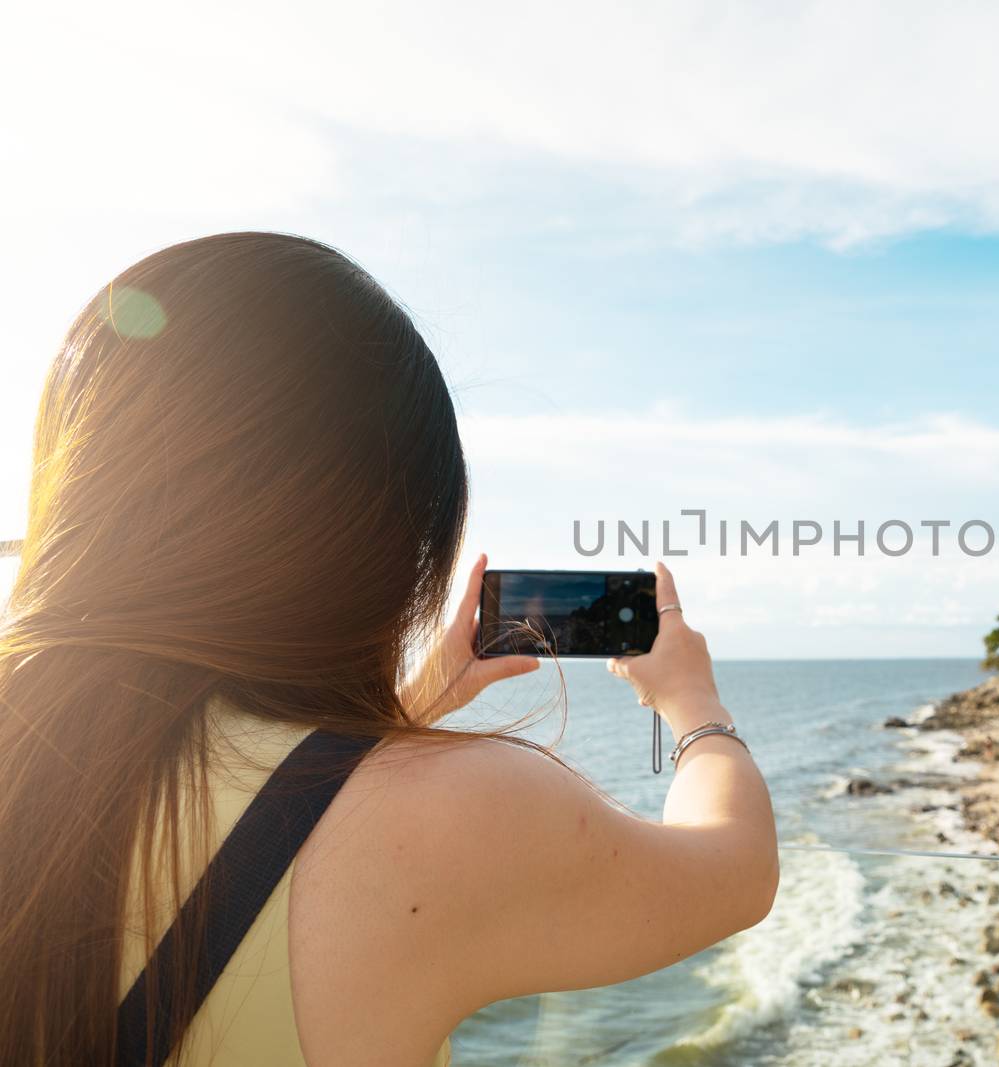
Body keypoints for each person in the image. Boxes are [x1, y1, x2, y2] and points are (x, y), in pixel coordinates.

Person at [0, 233, 779, 1067]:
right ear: (389, 545)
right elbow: (735, 871)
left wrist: (409, 705)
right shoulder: (459, 812)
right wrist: (692, 701)